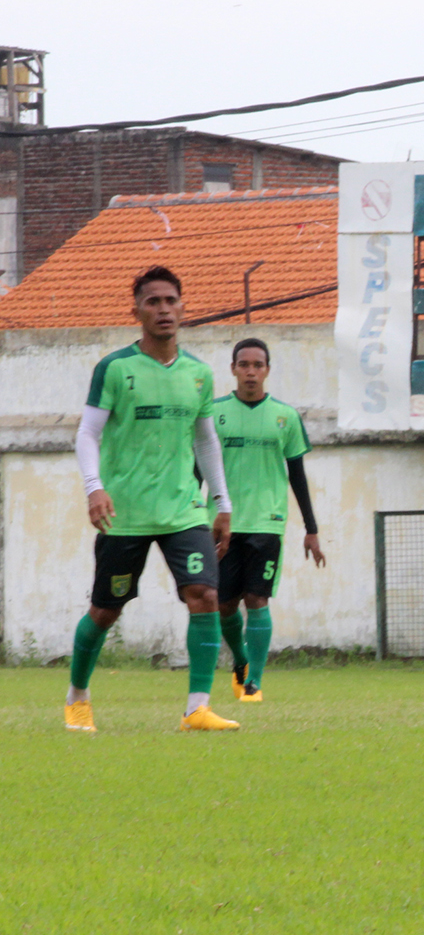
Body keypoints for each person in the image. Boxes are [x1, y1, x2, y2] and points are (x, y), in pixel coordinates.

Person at [68, 266, 240, 733]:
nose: (163, 310)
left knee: (204, 595)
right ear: (137, 311)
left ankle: (197, 709)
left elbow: (206, 442)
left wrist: (220, 503)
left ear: (183, 308)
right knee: (106, 611)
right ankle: (77, 696)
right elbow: (87, 433)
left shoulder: (199, 375)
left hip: (184, 510)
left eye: (170, 301)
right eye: (153, 302)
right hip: (125, 514)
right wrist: (94, 486)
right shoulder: (115, 368)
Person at [213, 338, 327, 703]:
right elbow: (199, 469)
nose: (250, 371)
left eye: (257, 365)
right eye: (243, 364)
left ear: (267, 370)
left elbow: (298, 476)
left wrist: (311, 529)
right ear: (233, 369)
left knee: (257, 600)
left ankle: (254, 684)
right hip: (223, 524)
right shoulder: (214, 414)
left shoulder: (285, 416)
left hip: (267, 522)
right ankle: (242, 661)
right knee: (224, 605)